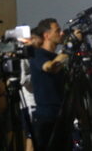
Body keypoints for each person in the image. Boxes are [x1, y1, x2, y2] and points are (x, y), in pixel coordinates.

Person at [29, 18, 71, 150]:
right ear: (46, 35)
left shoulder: (56, 56)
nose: (61, 33)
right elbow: (50, 67)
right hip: (46, 117)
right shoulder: (38, 54)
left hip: (62, 115)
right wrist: (69, 50)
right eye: (57, 30)